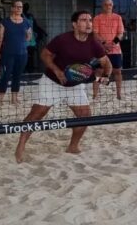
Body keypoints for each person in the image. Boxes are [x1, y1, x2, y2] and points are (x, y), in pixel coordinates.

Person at [14, 11, 112, 163]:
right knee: (37, 114)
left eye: (90, 20)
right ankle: (20, 147)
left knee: (85, 116)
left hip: (75, 85)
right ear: (74, 24)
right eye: (84, 20)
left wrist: (106, 76)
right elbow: (44, 55)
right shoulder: (63, 39)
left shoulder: (93, 43)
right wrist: (57, 71)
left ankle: (73, 146)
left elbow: (107, 63)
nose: (88, 23)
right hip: (52, 82)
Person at [0, 0, 32, 105]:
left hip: (22, 54)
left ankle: (14, 99)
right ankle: (0, 100)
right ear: (12, 8)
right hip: (8, 54)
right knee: (5, 76)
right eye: (17, 7)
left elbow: (29, 37)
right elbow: (0, 37)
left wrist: (28, 35)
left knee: (17, 76)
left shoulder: (26, 22)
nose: (19, 9)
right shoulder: (5, 22)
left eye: (21, 7)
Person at [92, 0, 125, 99]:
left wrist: (113, 44)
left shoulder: (118, 17)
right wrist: (104, 43)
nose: (108, 6)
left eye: (110, 4)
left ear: (112, 6)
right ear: (102, 6)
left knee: (117, 72)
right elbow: (95, 33)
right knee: (98, 72)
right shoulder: (97, 18)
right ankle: (95, 95)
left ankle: (119, 94)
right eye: (105, 4)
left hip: (115, 49)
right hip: (101, 49)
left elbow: (120, 33)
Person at [22, 3, 47, 72]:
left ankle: (30, 69)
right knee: (24, 54)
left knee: (30, 54)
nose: (26, 8)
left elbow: (35, 26)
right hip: (23, 39)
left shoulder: (30, 16)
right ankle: (25, 68)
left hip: (31, 39)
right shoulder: (20, 16)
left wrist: (42, 32)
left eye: (27, 7)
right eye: (24, 7)